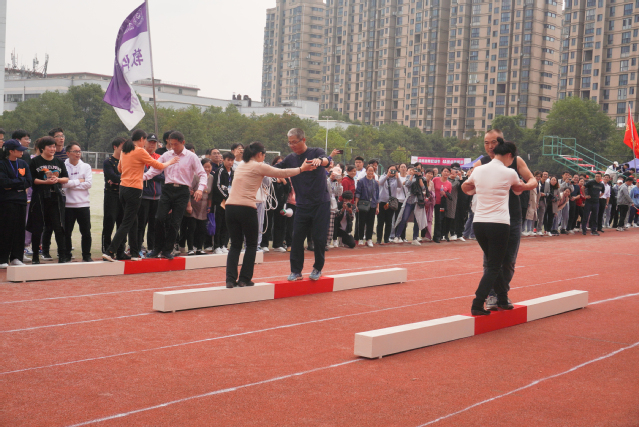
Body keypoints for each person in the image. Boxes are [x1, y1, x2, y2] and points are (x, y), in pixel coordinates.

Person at [226, 141, 315, 287]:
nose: (264, 158)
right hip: (246, 207)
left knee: (235, 245)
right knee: (251, 244)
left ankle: (230, 280)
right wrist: (301, 169)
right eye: (264, 155)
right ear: (259, 154)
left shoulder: (241, 165)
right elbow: (282, 173)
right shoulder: (258, 166)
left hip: (230, 207)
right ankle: (244, 279)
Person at [473, 129, 537, 310]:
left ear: (501, 142)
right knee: (490, 261)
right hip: (490, 219)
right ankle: (493, 296)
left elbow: (532, 180)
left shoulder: (515, 160)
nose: (490, 146)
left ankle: (502, 294)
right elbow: (468, 184)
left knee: (508, 261)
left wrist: (524, 187)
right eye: (486, 143)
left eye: (493, 142)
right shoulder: (481, 164)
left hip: (512, 217)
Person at [462, 138, 525, 315]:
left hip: (479, 224)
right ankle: (477, 303)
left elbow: (466, 186)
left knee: (493, 262)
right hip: (499, 224)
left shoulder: (478, 169)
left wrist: (476, 189)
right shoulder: (510, 172)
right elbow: (519, 189)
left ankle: (502, 299)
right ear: (509, 155)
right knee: (494, 266)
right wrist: (532, 184)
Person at [103, 130, 178, 262]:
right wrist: (170, 162)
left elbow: (120, 169)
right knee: (127, 221)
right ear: (142, 139)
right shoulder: (140, 151)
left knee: (134, 221)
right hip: (134, 189)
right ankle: (110, 251)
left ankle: (134, 252)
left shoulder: (125, 150)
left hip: (123, 188)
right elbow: (158, 165)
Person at [274, 128, 332, 281]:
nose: (292, 145)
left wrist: (320, 161)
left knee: (318, 238)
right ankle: (296, 271)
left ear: (303, 140)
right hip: (301, 205)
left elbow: (326, 160)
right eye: (289, 143)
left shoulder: (316, 152)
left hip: (321, 203)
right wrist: (257, 168)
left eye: (294, 142)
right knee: (297, 238)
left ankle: (317, 268)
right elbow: (275, 169)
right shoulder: (290, 159)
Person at [144, 131, 205, 259]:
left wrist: (200, 189)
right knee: (159, 218)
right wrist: (139, 178)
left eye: (176, 144)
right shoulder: (166, 155)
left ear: (183, 142)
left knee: (175, 222)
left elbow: (202, 174)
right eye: (171, 144)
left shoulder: (192, 157)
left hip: (183, 191)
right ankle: (157, 248)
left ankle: (168, 250)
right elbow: (154, 170)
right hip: (167, 190)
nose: (173, 147)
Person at [26, 137, 69, 264]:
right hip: (39, 197)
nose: (52, 149)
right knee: (37, 227)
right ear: (42, 148)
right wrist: (45, 182)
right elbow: (31, 179)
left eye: (54, 146)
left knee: (59, 226)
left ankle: (62, 256)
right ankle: (35, 257)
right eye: (49, 146)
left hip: (55, 198)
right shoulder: (35, 161)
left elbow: (66, 178)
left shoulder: (59, 161)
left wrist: (57, 180)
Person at [0, 139, 33, 267]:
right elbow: (4, 182)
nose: (21, 152)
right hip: (6, 201)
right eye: (18, 150)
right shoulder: (2, 164)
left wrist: (13, 184)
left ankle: (16, 258)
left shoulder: (23, 163)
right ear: (11, 151)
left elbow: (28, 181)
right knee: (6, 229)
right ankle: (2, 259)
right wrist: (20, 182)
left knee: (19, 230)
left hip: (21, 201)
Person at [62, 142, 93, 262]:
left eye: (79, 151)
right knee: (66, 232)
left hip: (83, 204)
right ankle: (66, 255)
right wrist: (79, 181)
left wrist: (70, 183)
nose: (78, 153)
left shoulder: (86, 166)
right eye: (75, 151)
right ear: (68, 153)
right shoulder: (62, 166)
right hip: (67, 205)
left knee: (86, 232)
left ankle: (86, 255)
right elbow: (62, 184)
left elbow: (88, 184)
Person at [137, 133, 164, 256]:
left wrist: (150, 174)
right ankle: (138, 246)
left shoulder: (159, 157)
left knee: (154, 224)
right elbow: (140, 174)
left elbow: (164, 175)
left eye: (154, 142)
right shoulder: (140, 155)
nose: (152, 144)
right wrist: (155, 173)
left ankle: (152, 247)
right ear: (145, 142)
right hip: (143, 195)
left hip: (157, 196)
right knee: (141, 223)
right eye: (150, 142)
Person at [182, 159, 214, 255]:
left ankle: (199, 248)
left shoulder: (211, 177)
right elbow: (188, 190)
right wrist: (188, 205)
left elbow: (210, 194)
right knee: (192, 228)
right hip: (194, 205)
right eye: (205, 167)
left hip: (203, 207)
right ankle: (190, 249)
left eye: (209, 167)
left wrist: (209, 206)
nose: (207, 169)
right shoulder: (195, 176)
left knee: (202, 229)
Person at [102, 137, 127, 259]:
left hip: (123, 195)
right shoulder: (108, 162)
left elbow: (119, 177)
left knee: (122, 224)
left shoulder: (126, 161)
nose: (124, 150)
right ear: (115, 147)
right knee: (109, 222)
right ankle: (107, 250)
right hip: (111, 195)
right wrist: (122, 178)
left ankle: (121, 251)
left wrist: (118, 179)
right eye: (122, 147)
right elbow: (112, 176)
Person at [211, 152, 235, 254]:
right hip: (220, 202)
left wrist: (232, 197)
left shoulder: (233, 172)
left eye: (232, 160)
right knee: (219, 224)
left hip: (229, 203)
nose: (230, 162)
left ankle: (224, 245)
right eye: (228, 160)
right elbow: (217, 186)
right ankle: (216, 246)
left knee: (227, 224)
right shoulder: (220, 171)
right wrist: (225, 196)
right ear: (223, 160)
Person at [354, 165, 380, 247]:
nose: (370, 172)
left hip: (372, 205)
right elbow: (358, 193)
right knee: (361, 222)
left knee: (370, 223)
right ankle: (361, 238)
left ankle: (369, 239)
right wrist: (356, 205)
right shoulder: (361, 181)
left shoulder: (375, 183)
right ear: (366, 171)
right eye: (369, 170)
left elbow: (377, 196)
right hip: (363, 204)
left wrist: (377, 207)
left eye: (372, 171)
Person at [376, 164, 401, 245]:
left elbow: (400, 186)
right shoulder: (383, 176)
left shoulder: (396, 179)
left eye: (394, 170)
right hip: (382, 202)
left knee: (389, 222)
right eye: (391, 169)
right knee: (380, 221)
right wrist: (387, 176)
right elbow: (380, 183)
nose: (392, 171)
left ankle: (386, 239)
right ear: (387, 169)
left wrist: (397, 177)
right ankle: (379, 239)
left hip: (391, 202)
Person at [432, 167, 452, 242]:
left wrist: (445, 194)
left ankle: (437, 236)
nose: (446, 173)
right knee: (428, 219)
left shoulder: (449, 184)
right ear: (441, 172)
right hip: (432, 202)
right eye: (445, 171)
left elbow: (449, 195)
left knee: (439, 219)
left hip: (441, 204)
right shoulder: (435, 179)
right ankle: (425, 236)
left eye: (448, 172)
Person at [326, 166, 343, 249]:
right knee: (324, 224)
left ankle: (327, 242)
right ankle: (322, 242)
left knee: (331, 226)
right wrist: (330, 179)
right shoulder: (326, 180)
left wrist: (339, 183)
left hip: (333, 206)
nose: (335, 176)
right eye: (334, 174)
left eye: (337, 175)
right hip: (325, 204)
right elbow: (328, 191)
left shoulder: (337, 183)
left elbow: (339, 193)